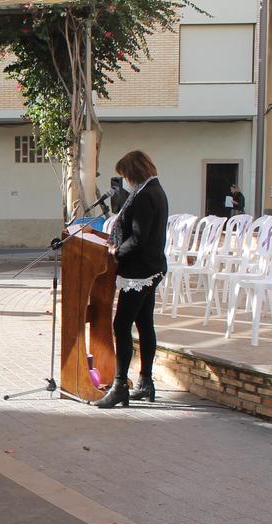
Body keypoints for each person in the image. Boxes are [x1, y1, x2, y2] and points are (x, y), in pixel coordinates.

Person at [95, 150, 169, 409]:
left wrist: (116, 253)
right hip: (151, 268)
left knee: (121, 325)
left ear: (133, 172)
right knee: (144, 323)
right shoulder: (154, 190)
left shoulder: (145, 196)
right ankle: (145, 382)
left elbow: (139, 238)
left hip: (140, 271)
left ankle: (119, 388)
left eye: (125, 175)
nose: (124, 180)